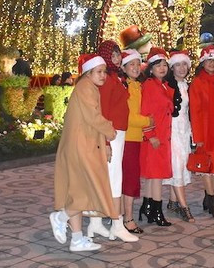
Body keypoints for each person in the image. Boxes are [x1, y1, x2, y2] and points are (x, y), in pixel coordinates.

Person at [50, 54, 136, 254]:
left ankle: (77, 239)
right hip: (81, 147)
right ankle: (61, 217)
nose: (103, 75)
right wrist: (110, 131)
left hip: (84, 145)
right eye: (99, 72)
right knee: (85, 190)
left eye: (104, 71)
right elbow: (93, 116)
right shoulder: (86, 88)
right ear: (88, 73)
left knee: (78, 191)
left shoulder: (88, 87)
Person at [87, 40, 129, 240]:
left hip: (116, 133)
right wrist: (104, 142)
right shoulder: (106, 80)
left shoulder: (113, 77)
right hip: (110, 134)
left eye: (118, 54)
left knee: (110, 178)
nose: (117, 58)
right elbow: (100, 113)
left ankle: (96, 223)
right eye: (112, 55)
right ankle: (117, 223)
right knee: (113, 179)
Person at [189, 45, 214, 219]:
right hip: (205, 131)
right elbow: (195, 111)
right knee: (208, 166)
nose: (212, 64)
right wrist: (197, 137)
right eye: (208, 61)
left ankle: (208, 196)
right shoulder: (197, 82)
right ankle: (212, 201)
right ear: (202, 63)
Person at [140, 47, 175, 227]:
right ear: (151, 68)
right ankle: (156, 211)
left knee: (155, 176)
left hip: (162, 136)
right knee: (156, 176)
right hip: (155, 137)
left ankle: (149, 208)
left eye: (164, 65)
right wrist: (150, 135)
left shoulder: (163, 86)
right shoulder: (149, 86)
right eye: (158, 65)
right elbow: (144, 111)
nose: (162, 68)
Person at [120, 49, 152, 234]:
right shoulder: (126, 88)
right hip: (128, 139)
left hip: (136, 138)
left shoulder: (137, 86)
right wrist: (148, 121)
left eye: (137, 64)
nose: (135, 67)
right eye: (131, 64)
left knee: (130, 179)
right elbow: (129, 116)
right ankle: (128, 218)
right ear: (123, 68)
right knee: (130, 180)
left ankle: (123, 215)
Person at [164, 50, 194, 222]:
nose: (182, 68)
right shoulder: (168, 86)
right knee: (177, 164)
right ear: (172, 67)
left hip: (184, 130)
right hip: (172, 130)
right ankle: (184, 206)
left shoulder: (187, 85)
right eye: (178, 65)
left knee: (182, 163)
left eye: (184, 64)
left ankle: (173, 201)